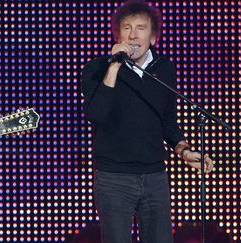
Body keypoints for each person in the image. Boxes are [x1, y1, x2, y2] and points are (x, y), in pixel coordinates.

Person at [81, 1, 214, 242]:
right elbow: (96, 115)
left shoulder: (164, 69)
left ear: (153, 37)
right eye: (126, 28)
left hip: (155, 177)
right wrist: (114, 67)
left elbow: (167, 121)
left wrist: (184, 151)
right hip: (114, 178)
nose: (133, 35)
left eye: (141, 28)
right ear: (117, 34)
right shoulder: (97, 68)